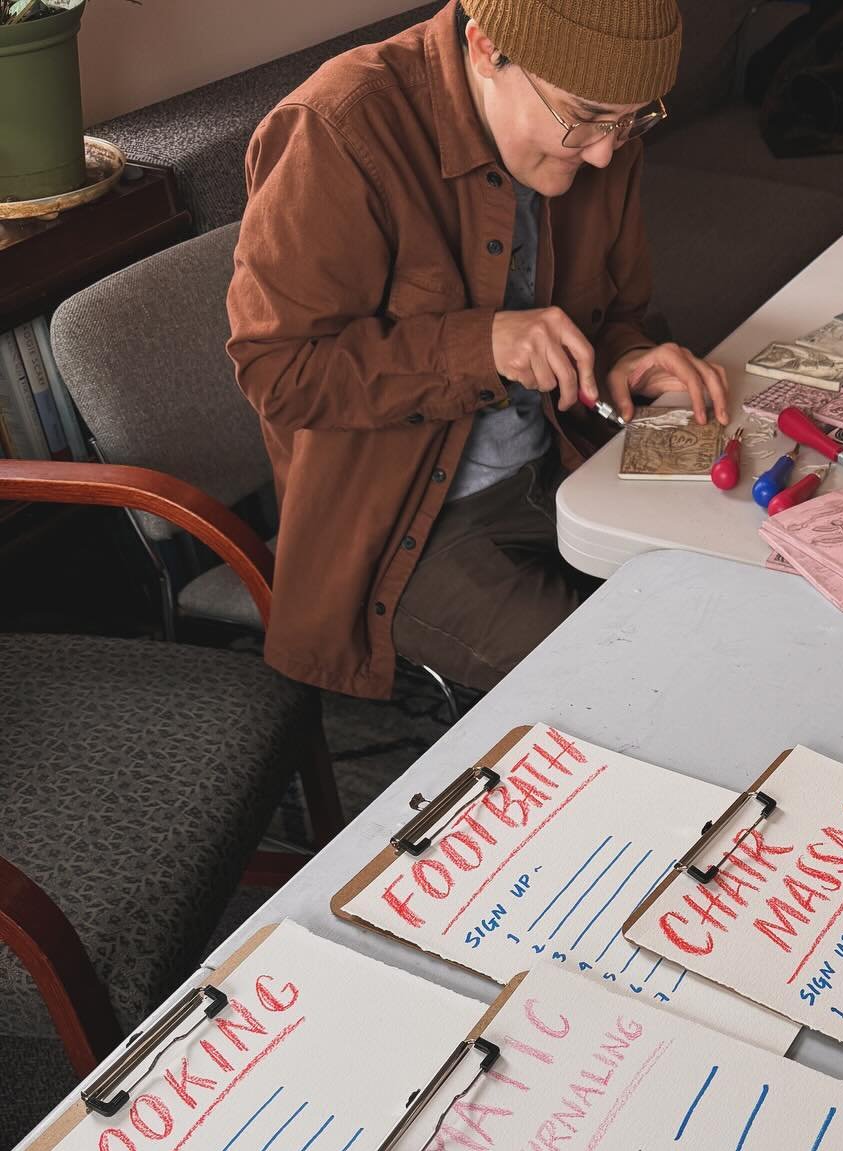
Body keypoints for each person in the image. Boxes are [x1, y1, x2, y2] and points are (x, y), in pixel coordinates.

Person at [227, 0, 728, 700]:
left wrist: (626, 354)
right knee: (636, 683)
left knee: (735, 601)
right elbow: (279, 373)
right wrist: (479, 345)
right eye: (584, 116)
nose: (605, 153)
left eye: (631, 120)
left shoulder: (602, 130)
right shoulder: (338, 128)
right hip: (405, 531)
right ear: (487, 47)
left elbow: (615, 310)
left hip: (566, 460)